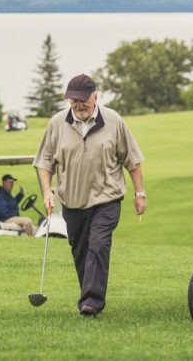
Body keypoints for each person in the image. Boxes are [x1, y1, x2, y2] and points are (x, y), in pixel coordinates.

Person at [33, 73, 146, 317]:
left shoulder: (114, 121)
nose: (78, 105)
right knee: (81, 251)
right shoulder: (57, 123)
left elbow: (133, 160)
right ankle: (89, 294)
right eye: (73, 100)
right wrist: (47, 192)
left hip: (106, 200)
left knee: (98, 245)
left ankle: (91, 302)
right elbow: (44, 162)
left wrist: (140, 193)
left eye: (83, 100)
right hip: (72, 203)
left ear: (95, 96)